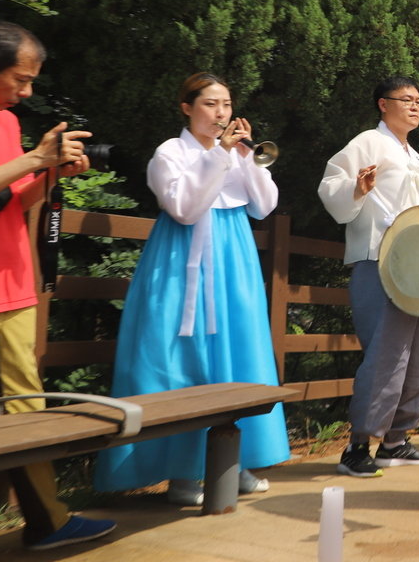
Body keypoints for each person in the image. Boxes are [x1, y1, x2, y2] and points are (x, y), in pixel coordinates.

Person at [95, 73, 290, 505]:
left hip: (232, 258)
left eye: (226, 105)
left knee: (238, 354)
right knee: (178, 356)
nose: (220, 113)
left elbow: (265, 205)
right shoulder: (170, 152)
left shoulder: (237, 153)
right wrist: (219, 156)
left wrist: (246, 158)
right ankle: (182, 473)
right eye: (209, 104)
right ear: (186, 107)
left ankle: (234, 462)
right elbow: (183, 209)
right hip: (180, 260)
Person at [0, 20, 115, 549]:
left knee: (25, 412)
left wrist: (52, 176)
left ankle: (48, 522)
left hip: (13, 287)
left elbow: (8, 202)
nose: (27, 92)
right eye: (21, 79)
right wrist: (37, 159)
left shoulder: (8, 124)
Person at [318, 76, 419, 477]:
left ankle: (396, 440)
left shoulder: (414, 155)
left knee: (414, 355)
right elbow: (329, 186)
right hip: (378, 261)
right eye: (406, 99)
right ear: (383, 104)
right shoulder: (367, 141)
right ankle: (357, 447)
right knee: (385, 355)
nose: (416, 106)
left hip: (416, 266)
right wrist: (356, 187)